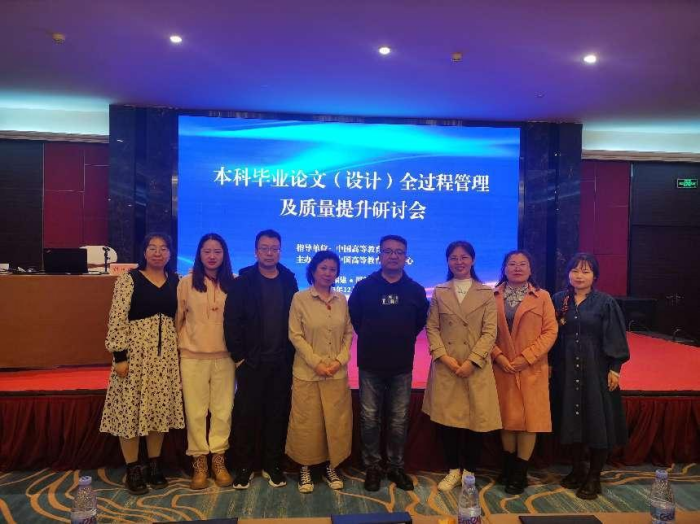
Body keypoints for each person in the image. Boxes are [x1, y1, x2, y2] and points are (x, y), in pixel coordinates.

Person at [100, 233, 184, 495]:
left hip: (164, 358)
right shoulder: (129, 280)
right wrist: (120, 356)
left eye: (164, 248)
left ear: (170, 253)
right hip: (135, 356)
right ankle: (133, 469)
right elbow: (117, 318)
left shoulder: (176, 281)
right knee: (130, 411)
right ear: (144, 252)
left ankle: (154, 465)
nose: (158, 253)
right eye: (152, 248)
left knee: (158, 410)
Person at [348, 234, 429, 492]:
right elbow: (355, 319)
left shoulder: (415, 290)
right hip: (370, 364)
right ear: (380, 255)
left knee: (398, 420)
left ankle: (396, 466)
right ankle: (372, 466)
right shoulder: (364, 287)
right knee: (369, 418)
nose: (393, 256)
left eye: (399, 252)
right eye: (388, 251)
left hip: (401, 365)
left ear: (406, 257)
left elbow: (418, 322)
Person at [422, 240, 501, 492]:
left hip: (475, 366)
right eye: (454, 258)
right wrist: (443, 357)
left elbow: (490, 332)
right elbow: (432, 327)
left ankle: (470, 472)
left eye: (464, 257)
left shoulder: (486, 292)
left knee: (476, 422)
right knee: (448, 421)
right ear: (447, 261)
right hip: (447, 366)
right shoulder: (440, 291)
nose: (459, 262)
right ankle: (453, 469)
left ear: (473, 260)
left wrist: (472, 361)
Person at [550, 253, 630, 500]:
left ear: (595, 276)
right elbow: (550, 335)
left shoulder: (605, 302)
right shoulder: (558, 299)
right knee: (571, 419)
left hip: (596, 368)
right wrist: (549, 363)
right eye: (575, 270)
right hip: (566, 368)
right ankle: (577, 469)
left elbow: (615, 336)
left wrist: (615, 368)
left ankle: (594, 476)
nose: (579, 276)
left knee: (597, 420)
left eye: (585, 271)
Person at [224, 229, 299, 489]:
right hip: (251, 363)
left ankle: (272, 464)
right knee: (247, 416)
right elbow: (231, 321)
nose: (269, 253)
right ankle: (244, 467)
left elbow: (295, 319)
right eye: (264, 248)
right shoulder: (244, 281)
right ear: (256, 251)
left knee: (277, 415)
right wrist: (239, 358)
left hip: (281, 362)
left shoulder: (289, 280)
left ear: (280, 251)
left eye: (274, 248)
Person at [286, 250, 353, 494]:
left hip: (336, 373)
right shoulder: (300, 298)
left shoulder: (341, 299)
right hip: (307, 373)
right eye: (323, 268)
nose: (328, 273)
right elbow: (295, 335)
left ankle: (330, 466)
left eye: (332, 269)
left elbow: (348, 333)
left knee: (334, 423)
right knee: (307, 423)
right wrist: (316, 363)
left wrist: (339, 361)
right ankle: (305, 467)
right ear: (313, 270)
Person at [492, 250, 558, 494]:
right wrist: (498, 356)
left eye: (523, 264)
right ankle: (508, 467)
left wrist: (526, 358)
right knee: (507, 419)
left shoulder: (542, 296)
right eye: (512, 264)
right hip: (502, 367)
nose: (517, 268)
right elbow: (483, 331)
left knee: (529, 421)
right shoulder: (492, 295)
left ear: (530, 269)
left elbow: (550, 331)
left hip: (532, 367)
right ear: (504, 268)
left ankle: (520, 472)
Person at [176, 233, 236, 489]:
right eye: (207, 251)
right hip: (192, 357)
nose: (212, 256)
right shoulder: (186, 283)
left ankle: (218, 460)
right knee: (195, 412)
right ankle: (199, 461)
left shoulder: (234, 283)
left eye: (217, 252)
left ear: (224, 255)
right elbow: (177, 319)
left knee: (223, 411)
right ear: (199, 254)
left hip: (225, 358)